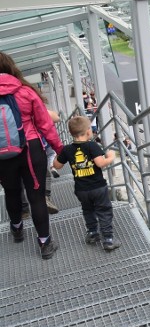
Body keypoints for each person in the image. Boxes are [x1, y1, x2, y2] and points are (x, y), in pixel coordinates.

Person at [0, 52, 64, 259]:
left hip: (2, 154)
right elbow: (46, 125)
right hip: (31, 149)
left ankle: (17, 229)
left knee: (11, 191)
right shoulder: (25, 91)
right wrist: (61, 150)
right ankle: (45, 244)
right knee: (36, 196)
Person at [53, 115, 120, 251]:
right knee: (104, 210)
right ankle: (108, 239)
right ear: (88, 131)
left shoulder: (67, 149)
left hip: (81, 189)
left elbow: (57, 165)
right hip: (98, 187)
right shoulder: (92, 145)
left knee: (88, 210)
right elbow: (100, 163)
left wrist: (57, 155)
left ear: (71, 133)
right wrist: (111, 157)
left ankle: (93, 233)